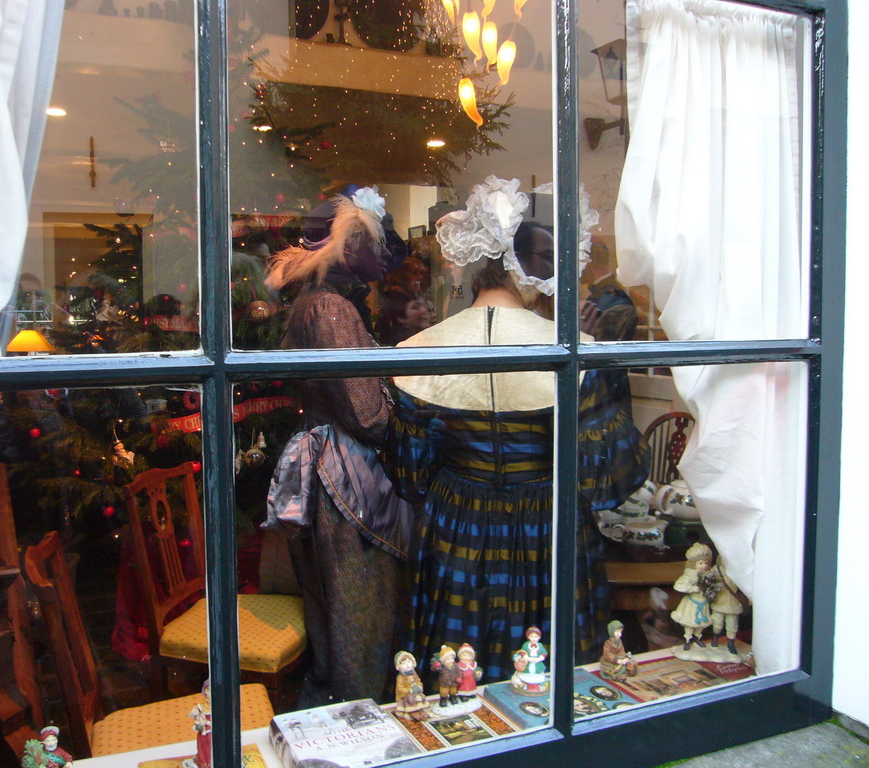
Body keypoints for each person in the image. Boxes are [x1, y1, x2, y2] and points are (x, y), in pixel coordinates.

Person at [386, 176, 649, 679]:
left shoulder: (419, 350)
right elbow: (609, 480)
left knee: (455, 670)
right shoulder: (576, 352)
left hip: (456, 523)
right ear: (524, 269)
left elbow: (410, 475)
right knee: (550, 675)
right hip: (549, 525)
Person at [264, 185, 413, 706]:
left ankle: (341, 704)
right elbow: (366, 412)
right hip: (346, 472)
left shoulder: (318, 303)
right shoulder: (331, 309)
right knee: (358, 604)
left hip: (330, 459)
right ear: (349, 246)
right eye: (374, 241)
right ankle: (359, 713)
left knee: (337, 603)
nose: (383, 254)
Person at [670, 543, 717, 650]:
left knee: (701, 623)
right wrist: (692, 588)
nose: (704, 566)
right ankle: (687, 639)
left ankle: (697, 638)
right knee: (690, 623)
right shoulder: (689, 576)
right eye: (700, 563)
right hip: (692, 603)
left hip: (703, 602)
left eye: (706, 563)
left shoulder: (709, 574)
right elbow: (678, 585)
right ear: (693, 564)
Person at [709, 557, 745, 654]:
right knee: (717, 623)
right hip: (719, 602)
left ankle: (730, 644)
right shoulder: (716, 570)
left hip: (733, 603)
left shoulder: (738, 570)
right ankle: (715, 639)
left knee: (732, 625)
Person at [393, 651, 432, 720]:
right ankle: (411, 712)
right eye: (404, 663)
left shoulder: (414, 673)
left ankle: (421, 711)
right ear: (399, 666)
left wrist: (419, 687)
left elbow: (418, 681)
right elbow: (399, 688)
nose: (407, 665)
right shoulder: (400, 677)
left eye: (409, 662)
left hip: (416, 692)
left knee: (422, 697)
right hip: (407, 695)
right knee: (410, 700)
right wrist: (409, 690)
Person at [190, 680, 212, 768]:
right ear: (206, 691)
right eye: (210, 690)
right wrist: (198, 722)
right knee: (204, 749)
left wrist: (206, 722)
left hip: (214, 734)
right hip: (204, 735)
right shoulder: (200, 707)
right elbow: (194, 718)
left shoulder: (218, 706)